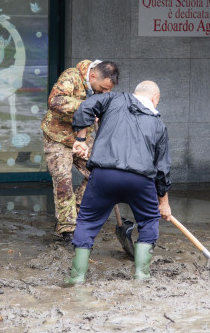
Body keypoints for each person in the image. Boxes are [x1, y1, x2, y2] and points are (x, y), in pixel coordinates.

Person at [65, 80, 171, 284]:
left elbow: (85, 106)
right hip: (140, 179)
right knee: (149, 220)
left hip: (104, 175)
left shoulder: (113, 99)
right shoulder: (159, 124)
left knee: (87, 220)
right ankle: (142, 275)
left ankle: (76, 277)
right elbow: (162, 169)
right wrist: (163, 203)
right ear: (154, 99)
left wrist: (80, 139)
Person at [40, 59, 119, 245]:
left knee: (100, 172)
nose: (105, 93)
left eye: (108, 90)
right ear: (92, 76)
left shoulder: (100, 88)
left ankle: (76, 211)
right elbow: (55, 101)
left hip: (82, 138)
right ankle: (68, 229)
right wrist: (89, 105)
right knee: (63, 181)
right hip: (57, 138)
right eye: (102, 88)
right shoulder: (71, 76)